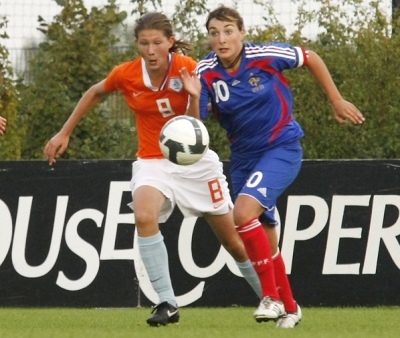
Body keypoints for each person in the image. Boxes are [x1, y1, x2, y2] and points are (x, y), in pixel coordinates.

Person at [43, 12, 262, 327]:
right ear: (137, 45)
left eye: (157, 42)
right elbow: (94, 92)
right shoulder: (127, 74)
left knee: (233, 242)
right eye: (144, 43)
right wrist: (64, 132)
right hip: (152, 160)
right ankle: (166, 303)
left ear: (170, 43)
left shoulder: (189, 68)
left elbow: (196, 128)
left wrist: (194, 96)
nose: (150, 50)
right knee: (144, 215)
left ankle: (271, 297)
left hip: (195, 163)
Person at [180, 4, 365, 328]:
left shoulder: (264, 54)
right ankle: (291, 308)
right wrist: (194, 97)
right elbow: (197, 127)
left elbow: (310, 57)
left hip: (281, 148)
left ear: (242, 33)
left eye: (228, 31)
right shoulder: (205, 71)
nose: (221, 39)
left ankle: (271, 298)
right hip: (243, 159)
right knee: (267, 240)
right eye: (214, 33)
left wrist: (336, 99)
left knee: (242, 214)